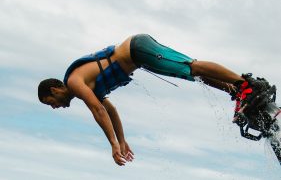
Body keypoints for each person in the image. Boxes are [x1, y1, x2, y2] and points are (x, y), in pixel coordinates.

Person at [38, 34, 258, 166]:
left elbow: (98, 110)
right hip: (139, 58)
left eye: (51, 102)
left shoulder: (75, 81)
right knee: (192, 75)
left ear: (55, 89)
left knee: (191, 66)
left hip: (137, 48)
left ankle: (245, 84)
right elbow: (111, 110)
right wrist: (122, 141)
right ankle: (237, 92)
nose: (55, 107)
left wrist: (113, 145)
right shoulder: (84, 87)